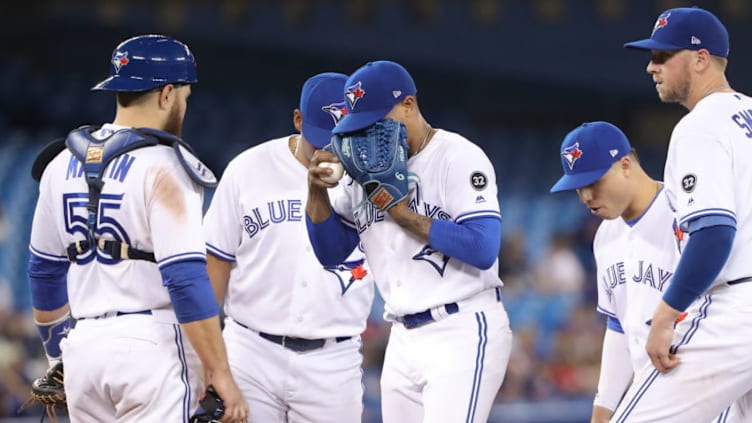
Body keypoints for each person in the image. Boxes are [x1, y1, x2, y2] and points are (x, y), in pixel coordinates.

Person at [26, 34, 247, 422]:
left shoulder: (60, 163)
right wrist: (219, 370)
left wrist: (59, 355)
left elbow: (44, 272)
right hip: (151, 347)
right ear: (166, 94)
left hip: (84, 350)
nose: (184, 104)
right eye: (184, 96)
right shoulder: (166, 165)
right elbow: (184, 278)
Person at [305, 60, 512, 423]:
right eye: (360, 124)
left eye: (376, 120)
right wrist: (317, 194)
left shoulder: (457, 156)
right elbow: (331, 252)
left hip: (461, 326)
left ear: (409, 105)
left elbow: (483, 249)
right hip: (401, 337)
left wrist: (404, 215)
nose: (368, 133)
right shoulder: (361, 171)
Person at [203, 72, 375, 422]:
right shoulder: (248, 169)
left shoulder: (373, 178)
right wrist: (208, 360)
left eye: (342, 137)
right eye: (323, 138)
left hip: (333, 360)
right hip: (250, 351)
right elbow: (214, 263)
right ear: (298, 120)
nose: (330, 150)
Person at [612, 7, 752, 421]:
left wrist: (665, 315)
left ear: (700, 59)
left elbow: (713, 234)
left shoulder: (700, 126)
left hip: (736, 308)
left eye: (662, 56)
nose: (651, 67)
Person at [550, 121, 741, 422]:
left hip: (708, 387)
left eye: (593, 182)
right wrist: (603, 409)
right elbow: (618, 327)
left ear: (625, 164)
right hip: (654, 392)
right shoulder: (604, 237)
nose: (585, 197)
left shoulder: (685, 213)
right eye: (577, 188)